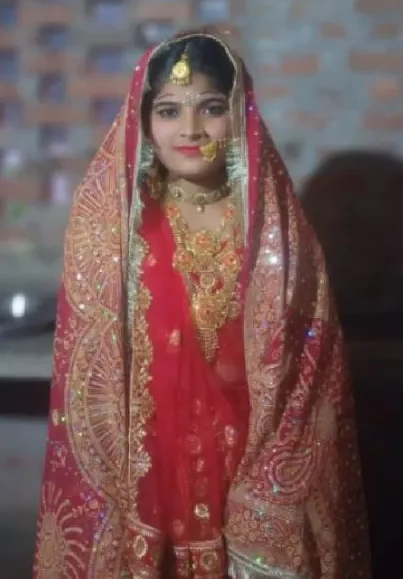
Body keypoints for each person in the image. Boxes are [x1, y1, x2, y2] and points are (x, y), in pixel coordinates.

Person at [33, 31, 371, 579]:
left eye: (211, 108)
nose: (190, 129)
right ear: (143, 123)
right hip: (146, 475)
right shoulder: (114, 232)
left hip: (252, 465)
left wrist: (267, 488)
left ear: (241, 116)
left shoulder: (274, 232)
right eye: (169, 110)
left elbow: (309, 373)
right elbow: (90, 374)